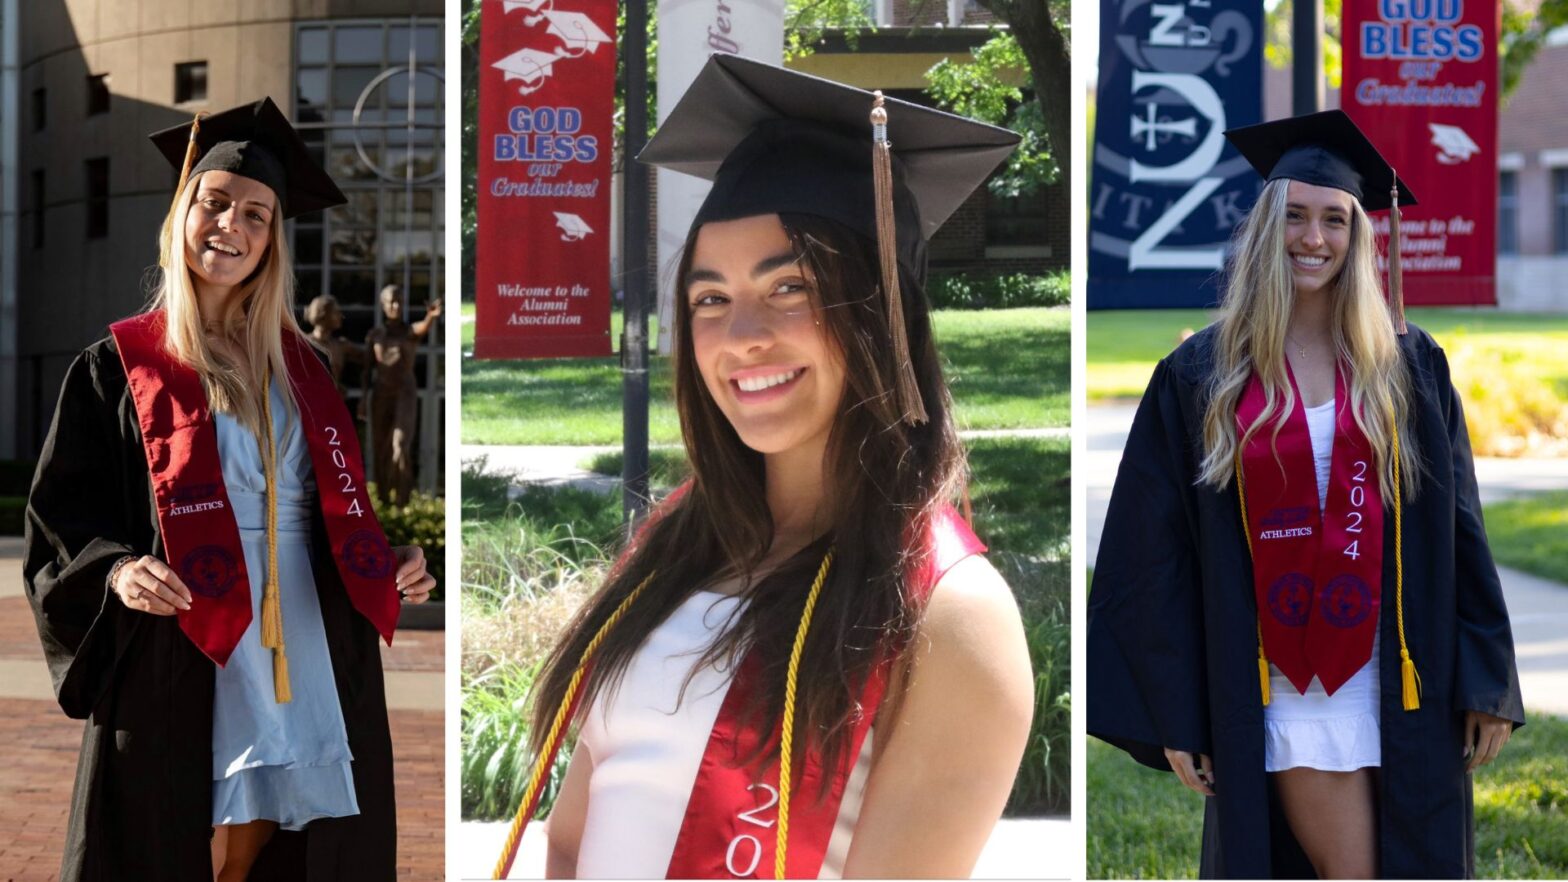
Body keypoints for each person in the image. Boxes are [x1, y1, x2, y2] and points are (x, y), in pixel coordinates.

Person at [491, 56, 1035, 879]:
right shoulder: (673, 548)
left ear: (884, 315)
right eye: (710, 298)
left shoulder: (946, 611)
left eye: (791, 287)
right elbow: (570, 843)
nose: (741, 334)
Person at [1087, 110, 1524, 879]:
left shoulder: (1408, 368)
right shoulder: (1201, 377)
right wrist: (1178, 709)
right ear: (1264, 227)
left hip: (1393, 669)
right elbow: (1151, 554)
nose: (1312, 239)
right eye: (1293, 217)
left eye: (1334, 220)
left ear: (1359, 238)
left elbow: (1460, 524)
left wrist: (1486, 676)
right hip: (1275, 678)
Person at [23, 97, 435, 882]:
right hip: (185, 634)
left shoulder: (303, 369)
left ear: (274, 239)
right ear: (183, 211)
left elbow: (333, 508)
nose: (232, 227)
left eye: (256, 215)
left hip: (308, 635)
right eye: (215, 204)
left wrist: (390, 556)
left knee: (279, 842)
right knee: (183, 830)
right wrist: (113, 568)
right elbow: (61, 515)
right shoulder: (119, 366)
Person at [363, 284, 442, 507]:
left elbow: (422, 328)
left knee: (400, 444)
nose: (395, 306)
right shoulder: (375, 335)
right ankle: (383, 499)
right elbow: (367, 369)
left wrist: (430, 317)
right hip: (381, 393)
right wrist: (362, 399)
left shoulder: (409, 332)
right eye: (390, 301)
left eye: (399, 301)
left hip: (404, 393)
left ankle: (402, 501)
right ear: (383, 305)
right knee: (381, 448)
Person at [302, 293, 364, 395]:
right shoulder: (304, 344)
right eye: (336, 312)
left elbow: (368, 359)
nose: (341, 316)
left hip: (333, 402)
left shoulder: (341, 345)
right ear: (323, 314)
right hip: (310, 401)